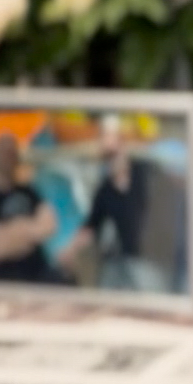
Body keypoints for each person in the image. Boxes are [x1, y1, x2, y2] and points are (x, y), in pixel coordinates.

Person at [69, 117, 160, 291]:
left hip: (149, 262)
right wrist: (71, 251)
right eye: (108, 156)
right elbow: (91, 225)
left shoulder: (146, 174)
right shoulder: (105, 189)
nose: (111, 158)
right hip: (121, 264)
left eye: (114, 144)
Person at [0, 134, 66, 284]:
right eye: (5, 152)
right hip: (3, 283)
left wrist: (12, 232)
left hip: (38, 278)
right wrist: (31, 229)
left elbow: (50, 226)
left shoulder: (29, 192)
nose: (9, 157)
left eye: (12, 153)